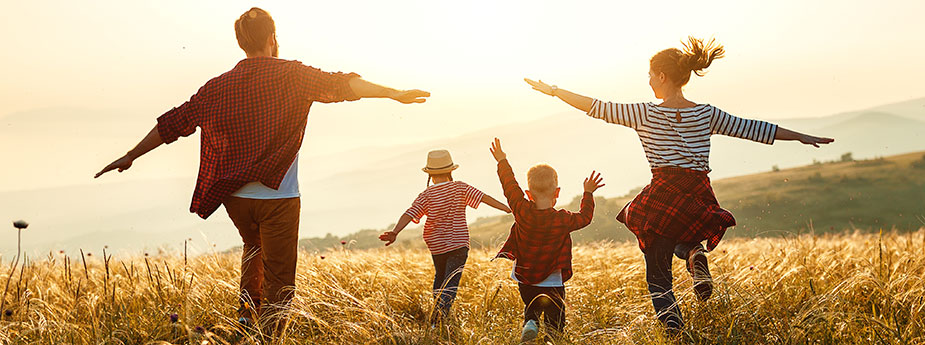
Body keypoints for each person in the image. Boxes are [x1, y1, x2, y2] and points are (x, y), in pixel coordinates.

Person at [93, 7, 430, 335]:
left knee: (253, 250)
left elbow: (175, 123)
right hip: (279, 197)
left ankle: (245, 321)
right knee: (280, 277)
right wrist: (393, 93)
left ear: (241, 43)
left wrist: (131, 155)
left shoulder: (217, 86)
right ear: (272, 37)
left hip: (235, 198)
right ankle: (269, 336)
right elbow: (343, 85)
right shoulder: (294, 75)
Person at [523, 36, 834, 337]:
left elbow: (595, 106)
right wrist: (802, 137)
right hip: (699, 192)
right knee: (677, 234)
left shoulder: (644, 112)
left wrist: (553, 91)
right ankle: (694, 253)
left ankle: (676, 333)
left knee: (656, 272)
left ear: (661, 75)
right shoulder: (706, 113)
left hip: (663, 192)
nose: (647, 81)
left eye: (649, 75)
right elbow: (753, 128)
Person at [487, 138, 601, 342]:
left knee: (531, 307)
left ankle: (531, 321)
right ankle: (552, 338)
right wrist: (588, 193)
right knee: (555, 319)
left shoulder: (521, 210)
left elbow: (509, 185)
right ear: (557, 193)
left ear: (528, 194)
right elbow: (585, 218)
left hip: (525, 277)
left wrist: (502, 161)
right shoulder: (563, 219)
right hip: (552, 279)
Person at [378, 149, 511, 323]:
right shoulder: (460, 187)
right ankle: (439, 318)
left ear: (430, 175)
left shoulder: (426, 195)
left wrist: (395, 232)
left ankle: (437, 315)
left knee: (440, 278)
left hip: (437, 246)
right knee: (451, 282)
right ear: (450, 171)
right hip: (458, 244)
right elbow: (484, 198)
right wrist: (507, 208)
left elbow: (409, 213)